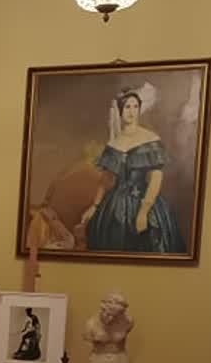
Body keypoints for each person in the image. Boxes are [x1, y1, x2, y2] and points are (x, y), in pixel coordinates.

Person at [79, 87, 187, 254]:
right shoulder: (114, 143)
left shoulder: (150, 138)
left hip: (145, 201)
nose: (132, 111)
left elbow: (156, 177)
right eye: (127, 107)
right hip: (115, 208)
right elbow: (106, 179)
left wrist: (144, 211)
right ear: (120, 111)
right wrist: (94, 206)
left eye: (135, 106)